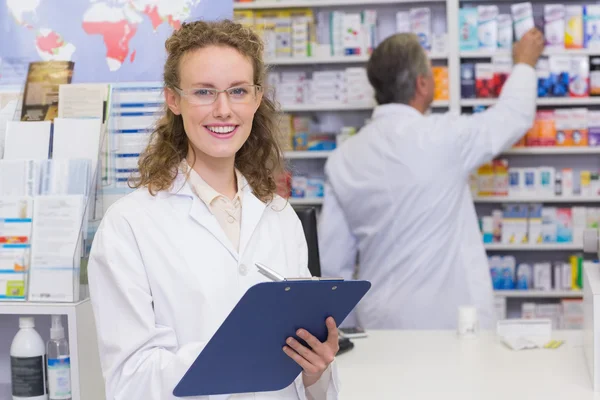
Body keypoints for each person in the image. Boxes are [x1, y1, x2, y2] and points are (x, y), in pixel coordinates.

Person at [87, 20, 340, 399]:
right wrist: (233, 351)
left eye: (238, 91)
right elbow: (130, 380)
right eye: (204, 92)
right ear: (174, 100)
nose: (223, 110)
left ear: (256, 98)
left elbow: (309, 386)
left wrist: (316, 370)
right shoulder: (129, 225)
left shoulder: (279, 216)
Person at [319, 29, 545, 330]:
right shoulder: (444, 137)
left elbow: (334, 266)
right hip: (452, 324)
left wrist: (343, 338)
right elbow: (511, 116)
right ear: (422, 84)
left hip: (381, 326)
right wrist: (525, 63)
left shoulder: (343, 159)